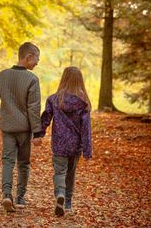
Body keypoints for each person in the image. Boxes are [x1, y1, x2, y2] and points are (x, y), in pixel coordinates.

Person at [0, 42, 43, 213]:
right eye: (37, 59)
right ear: (28, 57)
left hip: (8, 129)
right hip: (24, 130)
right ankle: (20, 198)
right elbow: (34, 108)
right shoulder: (32, 79)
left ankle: (5, 194)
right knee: (23, 164)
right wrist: (37, 132)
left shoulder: (3, 75)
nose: (37, 62)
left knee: (8, 162)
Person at [40, 66, 92, 217]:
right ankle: (67, 203)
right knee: (70, 174)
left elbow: (45, 119)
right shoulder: (84, 103)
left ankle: (60, 194)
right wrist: (87, 151)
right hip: (75, 146)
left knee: (59, 172)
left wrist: (39, 134)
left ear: (64, 79)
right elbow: (86, 129)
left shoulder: (54, 99)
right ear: (79, 82)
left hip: (59, 144)